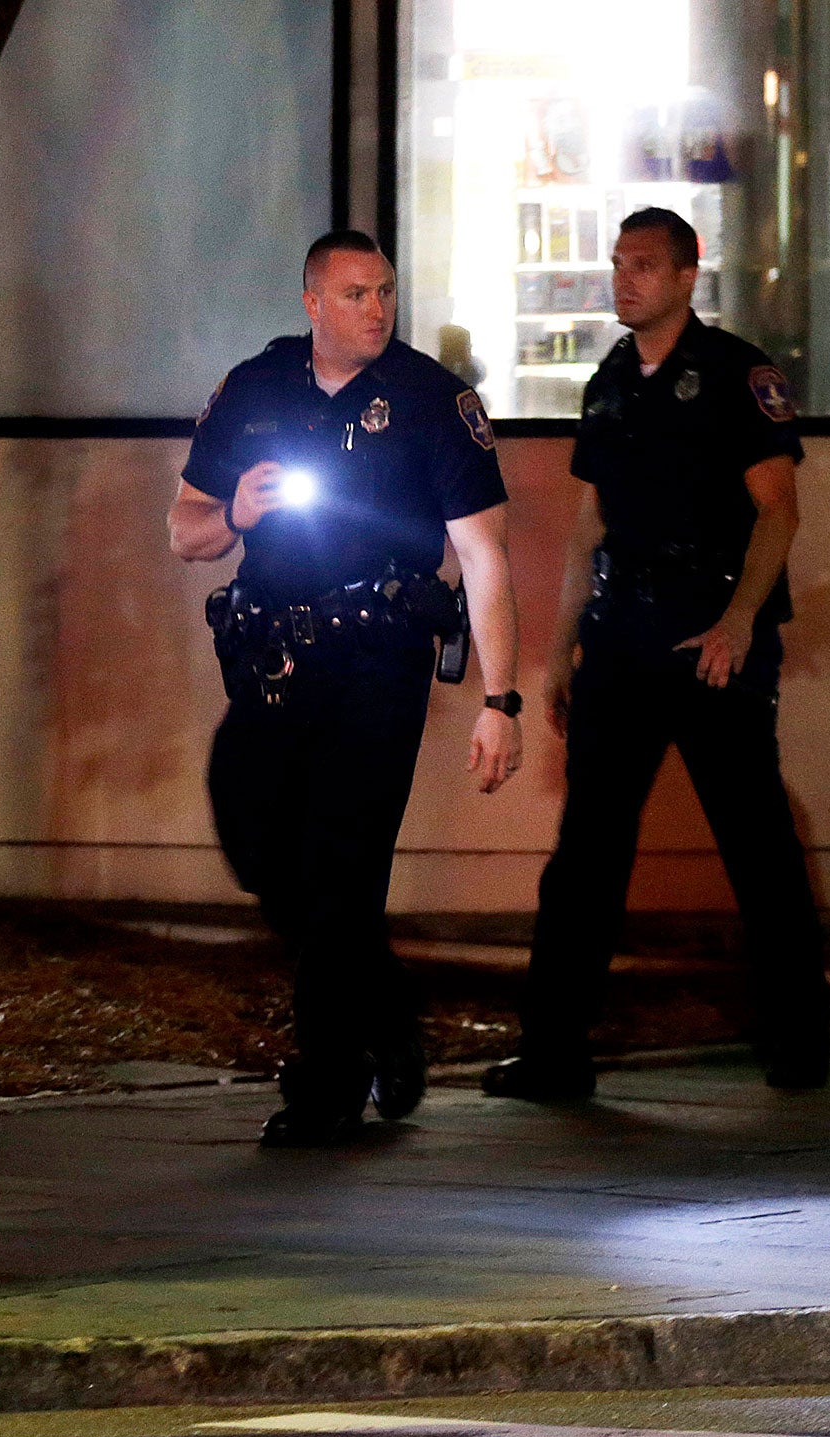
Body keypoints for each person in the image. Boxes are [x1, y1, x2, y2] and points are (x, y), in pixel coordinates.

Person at [170, 230, 524, 1148]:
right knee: (255, 840)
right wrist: (236, 510)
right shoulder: (255, 387)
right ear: (313, 303)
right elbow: (187, 531)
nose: (377, 309)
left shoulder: (430, 400)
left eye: (387, 292)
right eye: (357, 293)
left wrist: (502, 699)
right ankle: (387, 1010)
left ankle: (327, 1083)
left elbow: (484, 555)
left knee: (340, 868)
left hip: (377, 662)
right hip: (271, 662)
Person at [485, 207, 830, 1102]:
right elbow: (588, 528)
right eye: (617, 263)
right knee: (587, 854)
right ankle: (555, 1051)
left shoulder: (733, 374)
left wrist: (738, 621)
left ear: (687, 275)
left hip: (711, 639)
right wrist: (558, 656)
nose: (624, 279)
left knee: (755, 845)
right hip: (624, 639)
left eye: (644, 265)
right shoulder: (608, 381)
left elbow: (778, 510)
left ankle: (799, 1039)